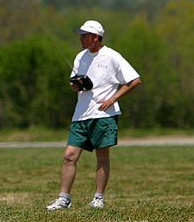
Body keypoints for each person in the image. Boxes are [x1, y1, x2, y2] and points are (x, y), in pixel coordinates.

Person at [47, 20, 142, 210]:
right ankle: (63, 199)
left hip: (103, 116)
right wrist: (75, 85)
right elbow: (76, 83)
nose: (81, 39)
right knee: (69, 156)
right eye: (80, 35)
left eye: (85, 36)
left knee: (102, 157)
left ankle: (98, 198)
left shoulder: (112, 56)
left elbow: (135, 80)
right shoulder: (79, 57)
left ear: (96, 38)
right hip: (81, 115)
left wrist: (113, 98)